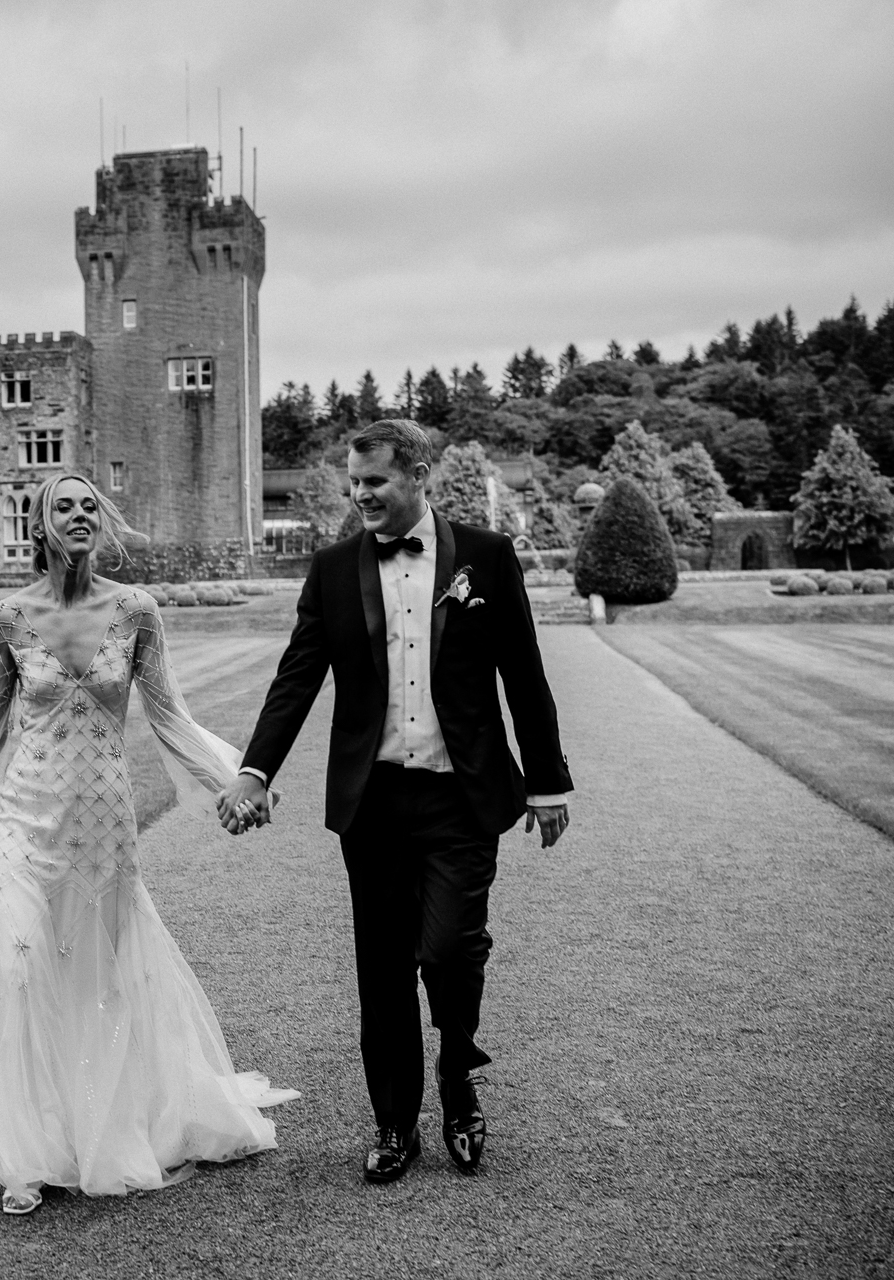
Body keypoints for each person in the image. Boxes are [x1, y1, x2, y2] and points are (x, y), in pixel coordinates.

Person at [215, 419, 572, 1183]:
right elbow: (296, 679)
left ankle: (457, 1077)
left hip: (463, 795)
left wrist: (546, 783)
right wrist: (255, 771)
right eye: (353, 482)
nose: (359, 495)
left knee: (448, 950)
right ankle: (393, 1124)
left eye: (373, 481)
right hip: (371, 802)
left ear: (418, 475)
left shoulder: (485, 556)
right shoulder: (335, 566)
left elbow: (525, 674)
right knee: (381, 970)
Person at [0, 473, 297, 1216]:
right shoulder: (8, 618)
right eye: (62, 506)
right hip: (24, 821)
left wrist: (237, 778)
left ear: (101, 523)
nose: (78, 515)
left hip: (105, 822)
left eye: (88, 506)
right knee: (20, 966)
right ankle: (31, 1150)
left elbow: (169, 713)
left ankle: (110, 1120)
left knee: (104, 973)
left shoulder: (136, 609)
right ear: (40, 525)